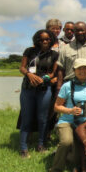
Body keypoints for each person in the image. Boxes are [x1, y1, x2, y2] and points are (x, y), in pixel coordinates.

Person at [48, 58, 86, 172]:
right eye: (79, 68)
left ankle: (63, 154)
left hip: (83, 123)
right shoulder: (67, 86)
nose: (82, 71)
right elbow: (56, 107)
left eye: (85, 68)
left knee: (79, 155)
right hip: (67, 120)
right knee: (66, 141)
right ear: (74, 70)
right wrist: (70, 111)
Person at [18, 29, 59, 158]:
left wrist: (46, 78)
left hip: (44, 88)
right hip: (27, 88)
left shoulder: (54, 55)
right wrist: (29, 75)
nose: (44, 41)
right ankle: (23, 148)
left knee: (43, 118)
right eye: (41, 39)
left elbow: (53, 72)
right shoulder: (29, 51)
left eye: (47, 39)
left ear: (51, 40)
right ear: (37, 40)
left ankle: (41, 145)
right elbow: (22, 67)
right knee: (27, 118)